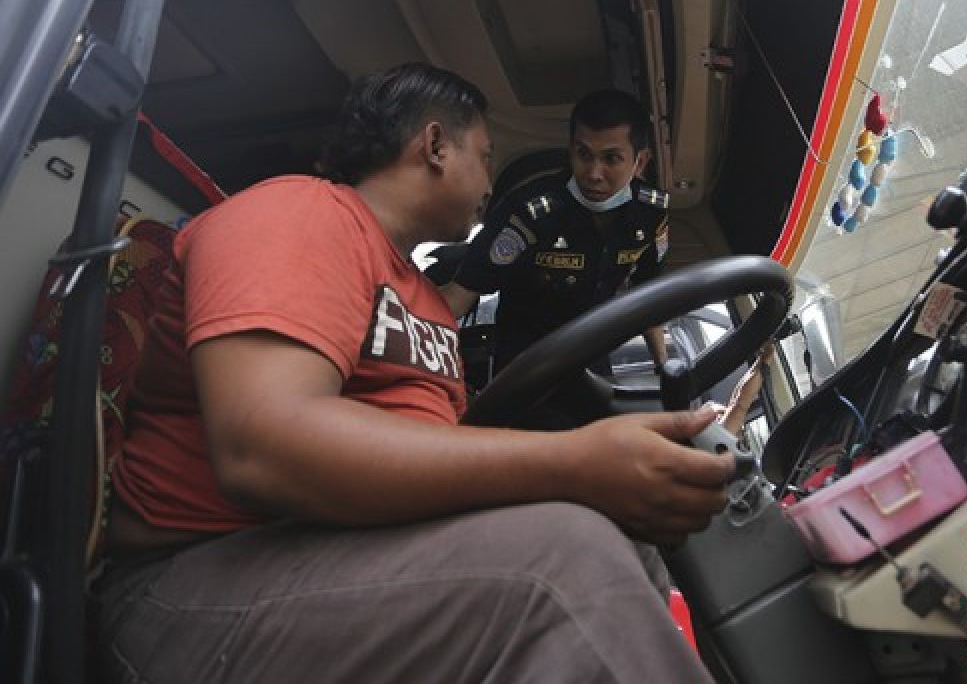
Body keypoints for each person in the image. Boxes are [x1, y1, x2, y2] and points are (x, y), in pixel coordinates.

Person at [93, 64, 731, 683]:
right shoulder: (301, 215)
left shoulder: (424, 299)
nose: (489, 182)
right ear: (433, 145)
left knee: (626, 547)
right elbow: (264, 446)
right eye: (483, 156)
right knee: (566, 563)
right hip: (200, 576)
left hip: (344, 556)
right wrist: (572, 464)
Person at [440, 89, 670, 388]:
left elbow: (649, 298)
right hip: (523, 367)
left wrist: (666, 369)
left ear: (640, 162)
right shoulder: (530, 212)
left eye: (611, 158)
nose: (593, 173)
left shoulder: (650, 213)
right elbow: (459, 296)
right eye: (583, 154)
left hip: (592, 362)